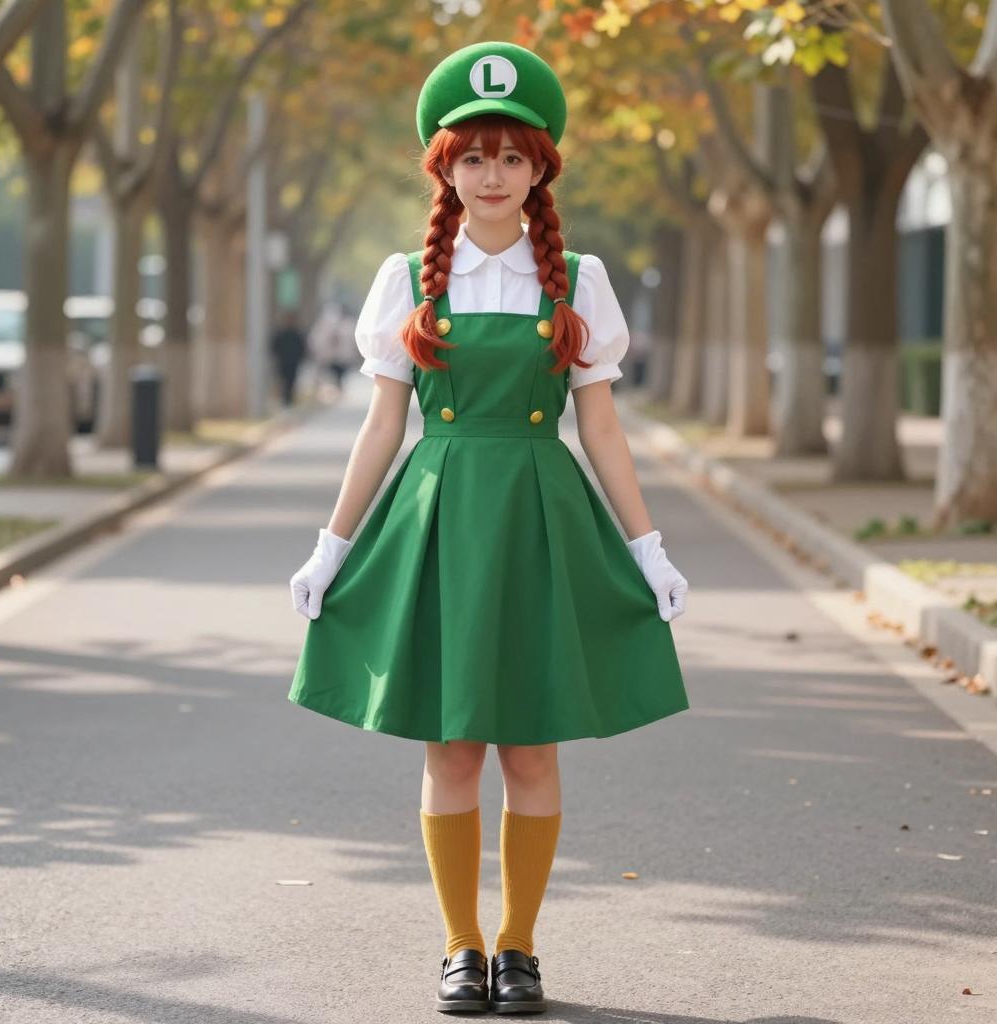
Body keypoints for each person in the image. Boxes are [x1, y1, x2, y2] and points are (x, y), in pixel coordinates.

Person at [287, 41, 689, 1015]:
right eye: (473, 156)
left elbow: (599, 424)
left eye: (512, 156)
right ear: (445, 167)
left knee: (533, 744)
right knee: (453, 744)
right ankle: (460, 945)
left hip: (542, 512)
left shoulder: (579, 280)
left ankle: (519, 945)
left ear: (540, 165)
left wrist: (648, 546)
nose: (493, 174)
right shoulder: (409, 279)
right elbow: (385, 423)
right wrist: (330, 546)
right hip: (442, 512)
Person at [270, 309, 307, 406]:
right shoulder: (281, 334)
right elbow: (275, 347)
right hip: (283, 362)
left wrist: (300, 357)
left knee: (291, 380)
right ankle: (284, 398)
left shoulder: (297, 334)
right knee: (283, 380)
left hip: (294, 362)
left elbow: (302, 348)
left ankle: (289, 398)